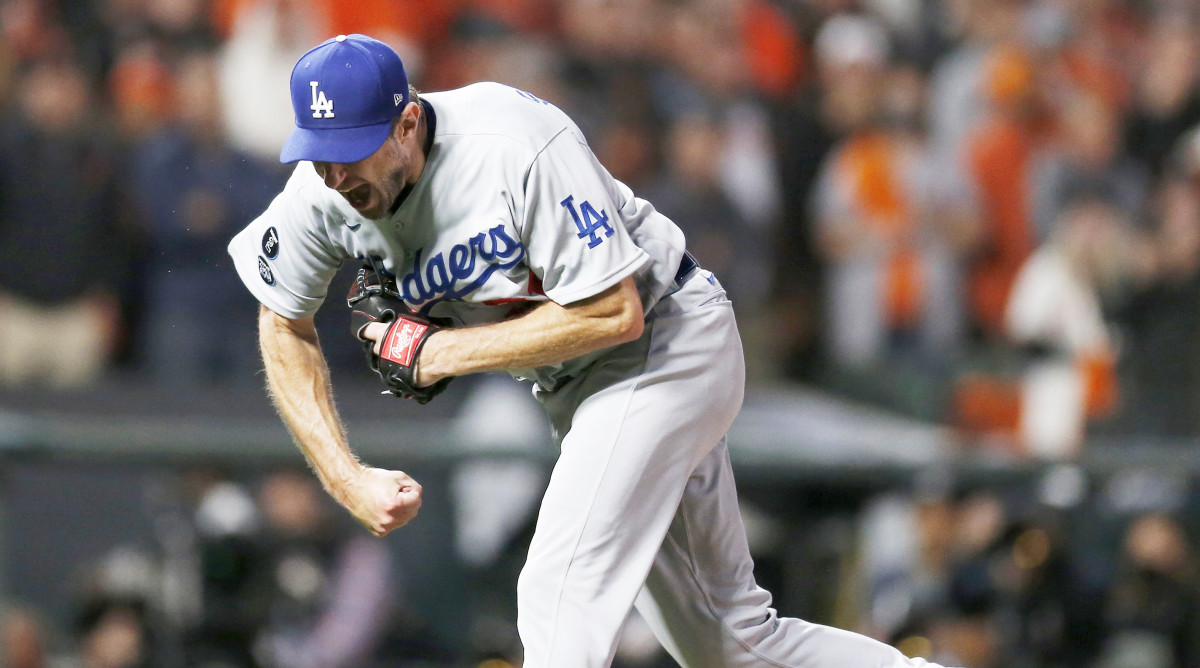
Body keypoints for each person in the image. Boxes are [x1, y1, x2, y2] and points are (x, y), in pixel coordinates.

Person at [227, 33, 957, 667]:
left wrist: (446, 351)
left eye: (351, 151)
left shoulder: (512, 145)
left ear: (407, 122)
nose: (334, 175)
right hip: (578, 387)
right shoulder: (323, 191)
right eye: (319, 155)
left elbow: (616, 312)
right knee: (727, 643)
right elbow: (281, 319)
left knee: (558, 588)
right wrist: (345, 476)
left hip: (670, 342)